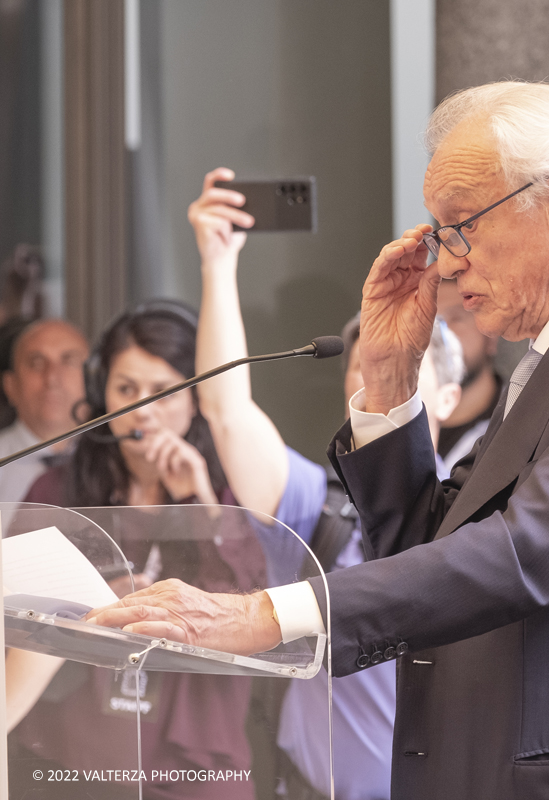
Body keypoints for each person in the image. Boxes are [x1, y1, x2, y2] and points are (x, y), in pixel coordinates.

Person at [91, 81, 549, 800]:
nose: (446, 263)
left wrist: (263, 614)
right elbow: (432, 546)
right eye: (438, 234)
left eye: (463, 226)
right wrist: (389, 384)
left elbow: (528, 549)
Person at [188, 166, 464, 800]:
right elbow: (226, 412)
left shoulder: (483, 511)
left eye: (402, 370)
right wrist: (217, 265)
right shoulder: (322, 504)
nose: (375, 385)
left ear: (448, 395)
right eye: (362, 374)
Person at [10, 302, 267, 800]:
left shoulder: (233, 486)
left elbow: (258, 607)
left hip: (194, 758)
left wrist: (202, 501)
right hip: (73, 756)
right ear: (101, 393)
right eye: (126, 389)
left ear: (196, 398)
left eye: (164, 391)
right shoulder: (56, 486)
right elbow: (15, 605)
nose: (143, 409)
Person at [0, 318, 89, 501]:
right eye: (37, 363)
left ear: (96, 381)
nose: (52, 378)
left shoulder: (120, 462)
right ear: (10, 385)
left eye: (69, 361)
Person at [436, 277, 499, 468]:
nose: (439, 334)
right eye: (429, 321)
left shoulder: (520, 423)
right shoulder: (397, 423)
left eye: (456, 318)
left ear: (492, 337)